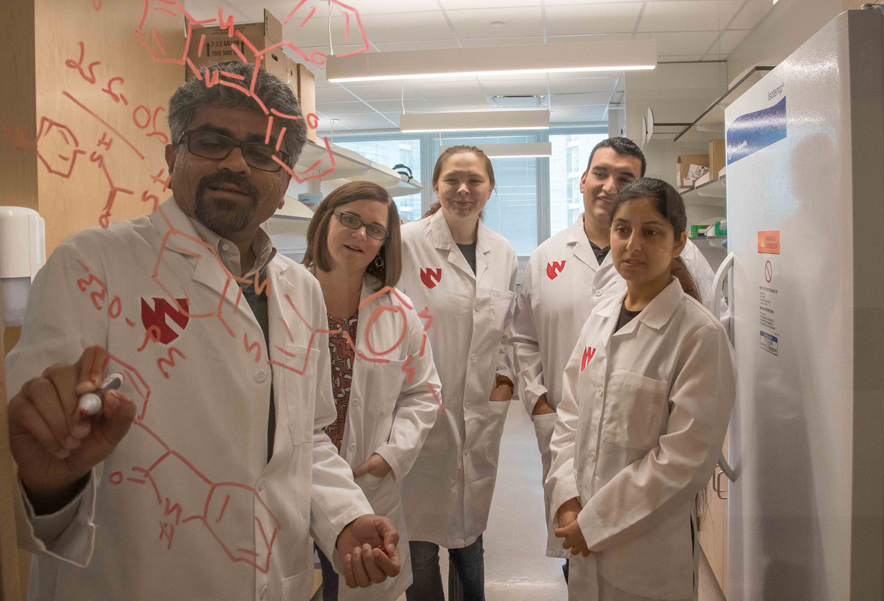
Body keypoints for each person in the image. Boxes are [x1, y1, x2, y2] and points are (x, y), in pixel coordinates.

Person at [5, 61, 402, 600]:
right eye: (214, 141)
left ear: (285, 179)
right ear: (173, 156)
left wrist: (345, 516)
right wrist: (51, 482)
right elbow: (49, 449)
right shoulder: (90, 265)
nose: (237, 162)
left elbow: (303, 438)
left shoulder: (299, 289)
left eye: (263, 153)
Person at [510, 137, 716, 564]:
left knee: (635, 551)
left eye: (624, 178)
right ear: (583, 179)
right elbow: (523, 337)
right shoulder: (546, 255)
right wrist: (540, 402)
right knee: (577, 554)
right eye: (600, 173)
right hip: (568, 434)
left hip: (645, 446)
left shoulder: (689, 261)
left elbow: (707, 339)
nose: (608, 185)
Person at [545, 178, 736, 600]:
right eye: (622, 229)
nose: (633, 244)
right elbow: (570, 415)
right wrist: (567, 498)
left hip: (648, 557)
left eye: (651, 232)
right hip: (583, 539)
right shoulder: (601, 318)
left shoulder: (699, 335)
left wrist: (595, 524)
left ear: (679, 242)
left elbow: (683, 461)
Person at [301, 181, 442, 601]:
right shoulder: (281, 298)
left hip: (367, 479)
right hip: (292, 477)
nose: (361, 235)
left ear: (385, 242)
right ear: (324, 220)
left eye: (375, 229)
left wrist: (391, 456)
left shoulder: (398, 311)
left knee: (355, 584)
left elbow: (424, 390)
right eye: (349, 219)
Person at [397, 145, 518, 601]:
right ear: (436, 185)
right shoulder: (405, 242)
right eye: (452, 179)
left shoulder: (502, 251)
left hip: (478, 415)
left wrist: (504, 382)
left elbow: (506, 329)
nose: (463, 190)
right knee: (421, 543)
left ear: (490, 188)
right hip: (419, 413)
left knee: (470, 541)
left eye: (475, 181)